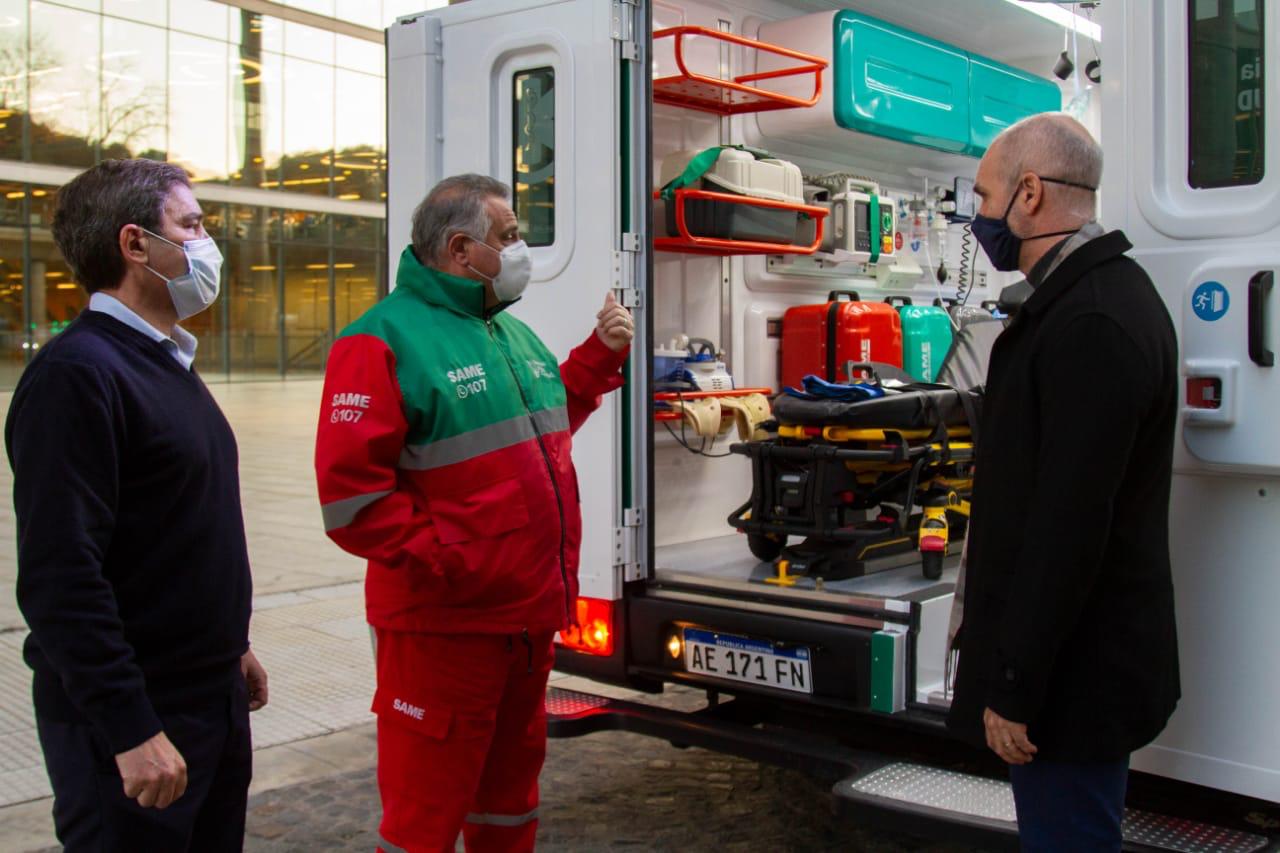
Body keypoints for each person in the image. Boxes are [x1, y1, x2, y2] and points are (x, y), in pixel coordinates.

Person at [314, 174, 632, 852]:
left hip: (523, 621)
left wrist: (600, 358)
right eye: (509, 236)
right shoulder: (380, 341)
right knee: (424, 818)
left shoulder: (508, 334)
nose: (521, 250)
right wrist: (457, 560)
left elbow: (543, 431)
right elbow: (352, 502)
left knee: (509, 803)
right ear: (461, 248)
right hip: (445, 631)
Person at [5, 159, 268, 851]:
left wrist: (229, 645)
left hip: (206, 696)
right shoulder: (78, 375)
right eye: (191, 225)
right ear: (134, 244)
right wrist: (130, 727)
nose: (208, 242)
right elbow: (61, 576)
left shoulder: (164, 362)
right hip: (138, 724)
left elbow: (174, 526)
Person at [947, 114, 1180, 852]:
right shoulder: (1090, 299)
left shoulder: (1091, 323)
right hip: (1071, 670)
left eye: (985, 196)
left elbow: (1068, 527)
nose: (979, 216)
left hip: (1070, 682)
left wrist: (1015, 684)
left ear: (1030, 192)